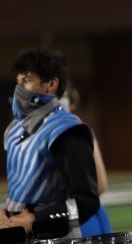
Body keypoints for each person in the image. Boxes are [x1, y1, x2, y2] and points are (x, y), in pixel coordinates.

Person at [0, 48, 100, 240]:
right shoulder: (14, 130)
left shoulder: (67, 130)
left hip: (56, 237)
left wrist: (38, 219)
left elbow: (87, 202)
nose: (18, 89)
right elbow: (24, 197)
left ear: (51, 85)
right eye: (18, 81)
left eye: (27, 81)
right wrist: (6, 213)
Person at [59, 83, 112, 236]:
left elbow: (101, 185)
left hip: (82, 218)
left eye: (61, 97)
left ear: (73, 102)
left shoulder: (80, 132)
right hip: (57, 218)